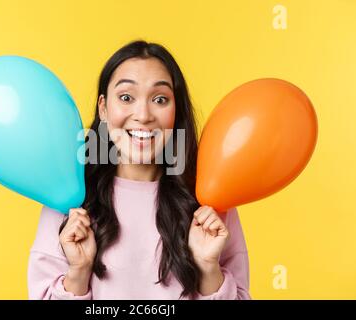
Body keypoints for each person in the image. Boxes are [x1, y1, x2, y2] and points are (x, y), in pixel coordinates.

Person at [27, 40, 251, 300]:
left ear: (175, 111)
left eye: (160, 99)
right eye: (126, 97)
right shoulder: (69, 197)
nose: (143, 114)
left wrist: (208, 270)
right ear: (103, 108)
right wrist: (78, 272)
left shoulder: (210, 204)